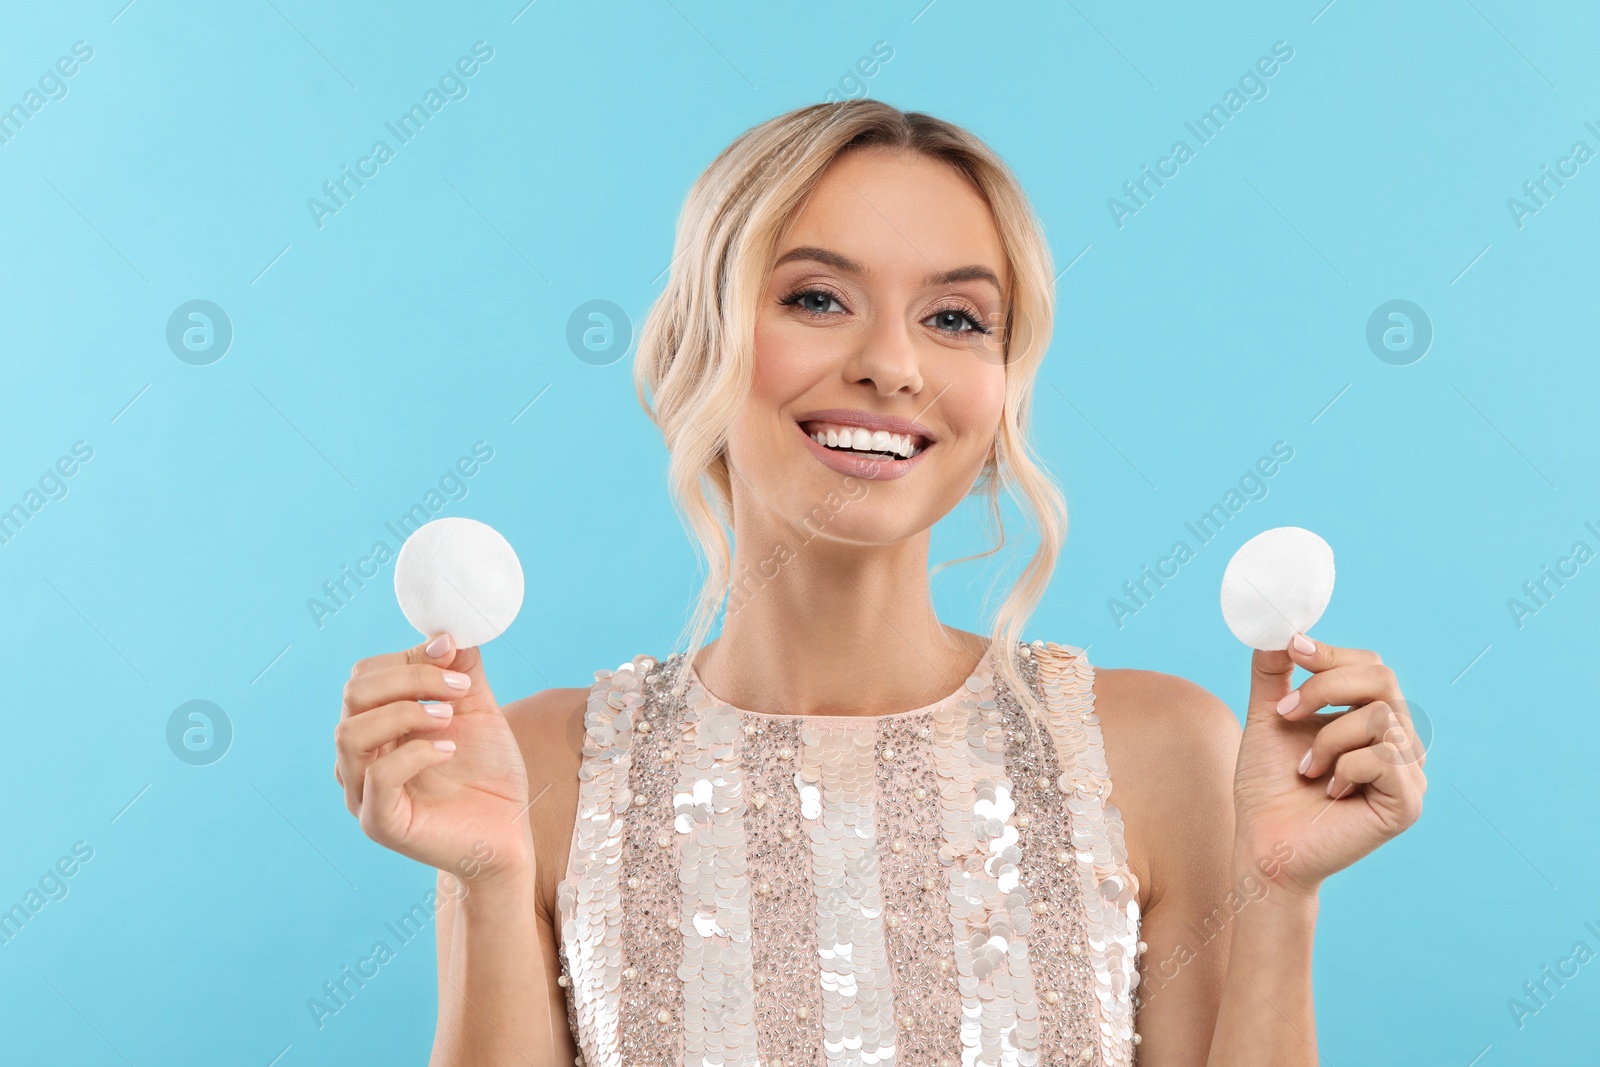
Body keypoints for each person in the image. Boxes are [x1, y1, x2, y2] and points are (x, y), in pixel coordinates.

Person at [333, 101, 1426, 1066]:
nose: (893, 364)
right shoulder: (533, 768)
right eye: (817, 298)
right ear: (702, 340)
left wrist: (1278, 896)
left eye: (954, 317)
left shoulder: (1157, 750)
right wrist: (485, 881)